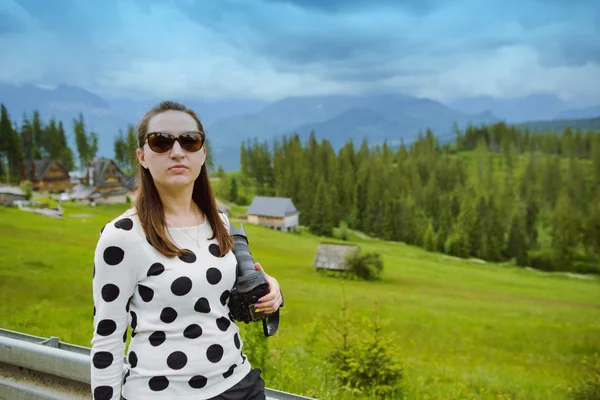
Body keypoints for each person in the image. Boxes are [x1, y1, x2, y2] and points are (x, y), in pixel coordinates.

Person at [90, 100, 283, 400]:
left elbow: (221, 295)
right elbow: (107, 340)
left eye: (190, 141)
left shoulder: (219, 221)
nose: (177, 151)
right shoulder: (122, 236)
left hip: (238, 385)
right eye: (161, 142)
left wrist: (271, 289)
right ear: (142, 156)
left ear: (202, 153)